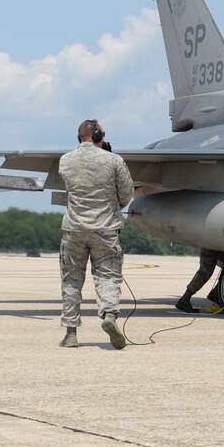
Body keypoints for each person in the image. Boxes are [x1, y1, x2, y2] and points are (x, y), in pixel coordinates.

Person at [57, 119, 135, 349]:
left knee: (71, 279)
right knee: (108, 276)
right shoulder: (114, 160)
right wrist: (114, 206)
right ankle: (109, 316)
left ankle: (71, 333)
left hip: (74, 228)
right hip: (105, 228)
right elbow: (127, 193)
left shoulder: (65, 160)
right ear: (99, 136)